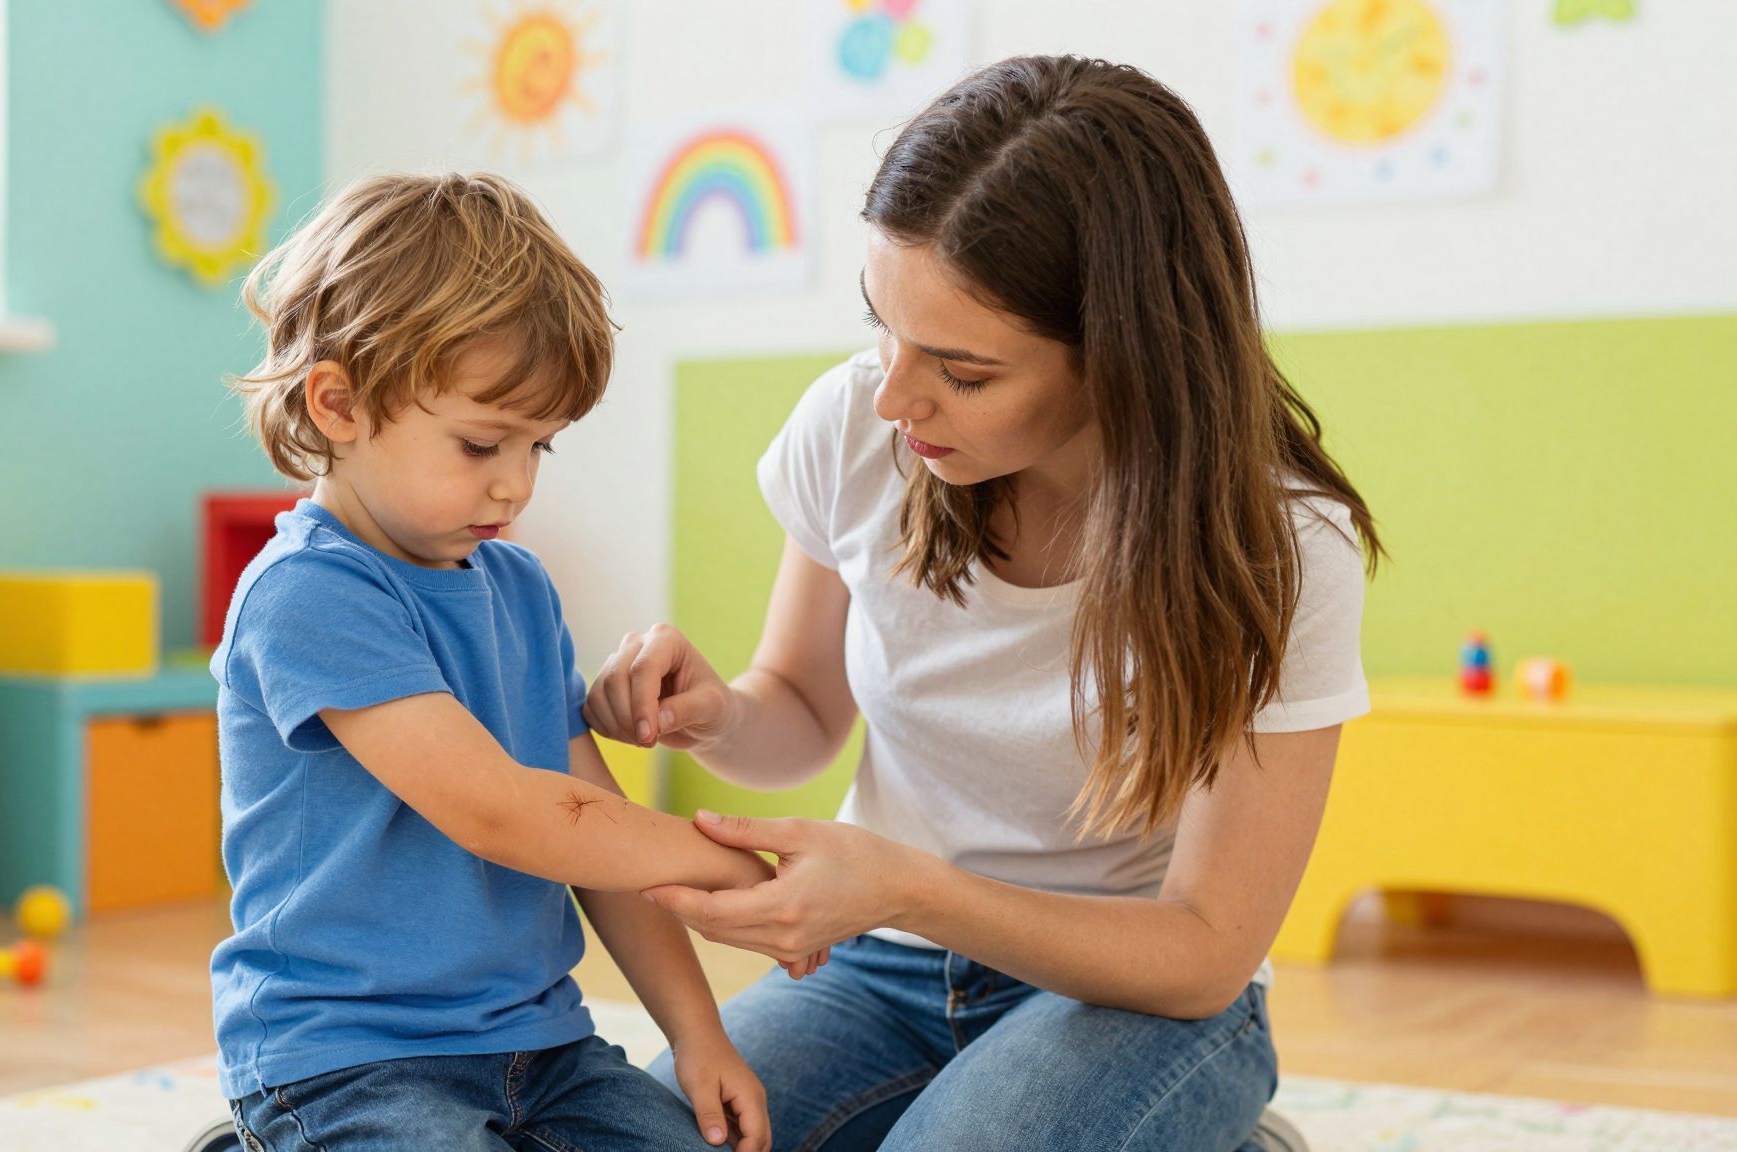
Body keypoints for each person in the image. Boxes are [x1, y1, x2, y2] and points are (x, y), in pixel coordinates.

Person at [586, 56, 1380, 1152]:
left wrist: (907, 889)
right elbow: (801, 711)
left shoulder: (1278, 547)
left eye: (961, 372)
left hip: (1134, 995)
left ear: (1123, 357)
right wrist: (717, 714)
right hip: (880, 968)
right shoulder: (856, 428)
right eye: (881, 325)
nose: (892, 396)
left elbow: (1204, 950)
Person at [211, 172, 772, 1152]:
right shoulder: (308, 594)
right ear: (337, 404)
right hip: (345, 1058)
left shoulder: (517, 587)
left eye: (538, 448)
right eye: (480, 445)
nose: (514, 485)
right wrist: (715, 856)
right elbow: (507, 814)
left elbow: (593, 829)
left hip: (540, 1046)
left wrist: (697, 1034)